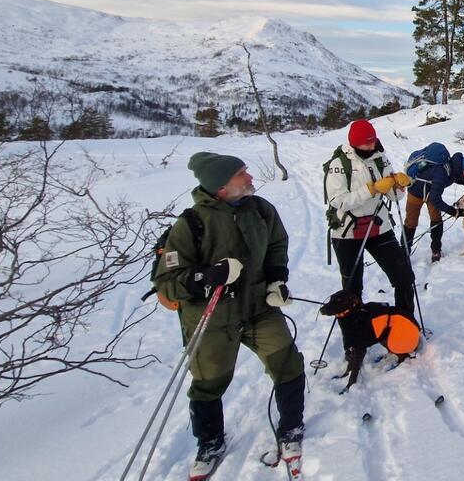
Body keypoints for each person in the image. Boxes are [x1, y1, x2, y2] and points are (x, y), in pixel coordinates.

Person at [153, 152, 306, 479]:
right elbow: (166, 283)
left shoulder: (261, 209)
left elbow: (277, 244)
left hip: (259, 308)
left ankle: (291, 427)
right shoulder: (190, 225)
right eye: (241, 173)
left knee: (288, 363)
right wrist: (209, 276)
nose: (249, 176)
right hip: (213, 318)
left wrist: (277, 279)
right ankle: (209, 442)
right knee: (209, 383)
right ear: (221, 186)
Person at [324, 119, 416, 323]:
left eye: (373, 141)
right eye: (366, 143)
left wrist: (399, 186)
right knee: (351, 289)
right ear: (354, 143)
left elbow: (394, 198)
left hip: (379, 225)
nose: (371, 146)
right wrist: (372, 189)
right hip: (347, 231)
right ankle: (355, 339)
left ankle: (405, 325)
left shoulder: (380, 158)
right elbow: (338, 201)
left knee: (404, 277)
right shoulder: (339, 165)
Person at [402, 147, 464, 263]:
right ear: (463, 167)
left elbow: (454, 177)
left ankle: (436, 250)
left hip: (431, 192)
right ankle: (403, 253)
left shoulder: (453, 166)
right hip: (416, 192)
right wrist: (454, 211)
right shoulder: (441, 172)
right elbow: (436, 199)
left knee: (436, 219)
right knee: (411, 223)